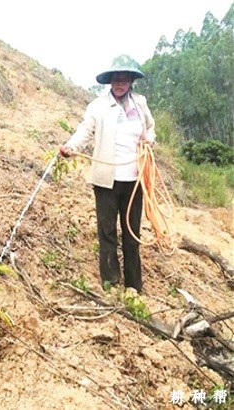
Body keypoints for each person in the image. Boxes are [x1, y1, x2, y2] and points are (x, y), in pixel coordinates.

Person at [59, 54, 156, 293]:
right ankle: (111, 284)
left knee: (132, 235)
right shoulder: (98, 106)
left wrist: (149, 140)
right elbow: (85, 129)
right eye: (116, 78)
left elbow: (151, 128)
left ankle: (134, 286)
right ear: (110, 81)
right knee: (107, 232)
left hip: (134, 181)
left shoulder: (140, 103)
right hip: (106, 180)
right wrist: (71, 146)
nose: (120, 83)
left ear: (131, 80)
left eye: (124, 78)